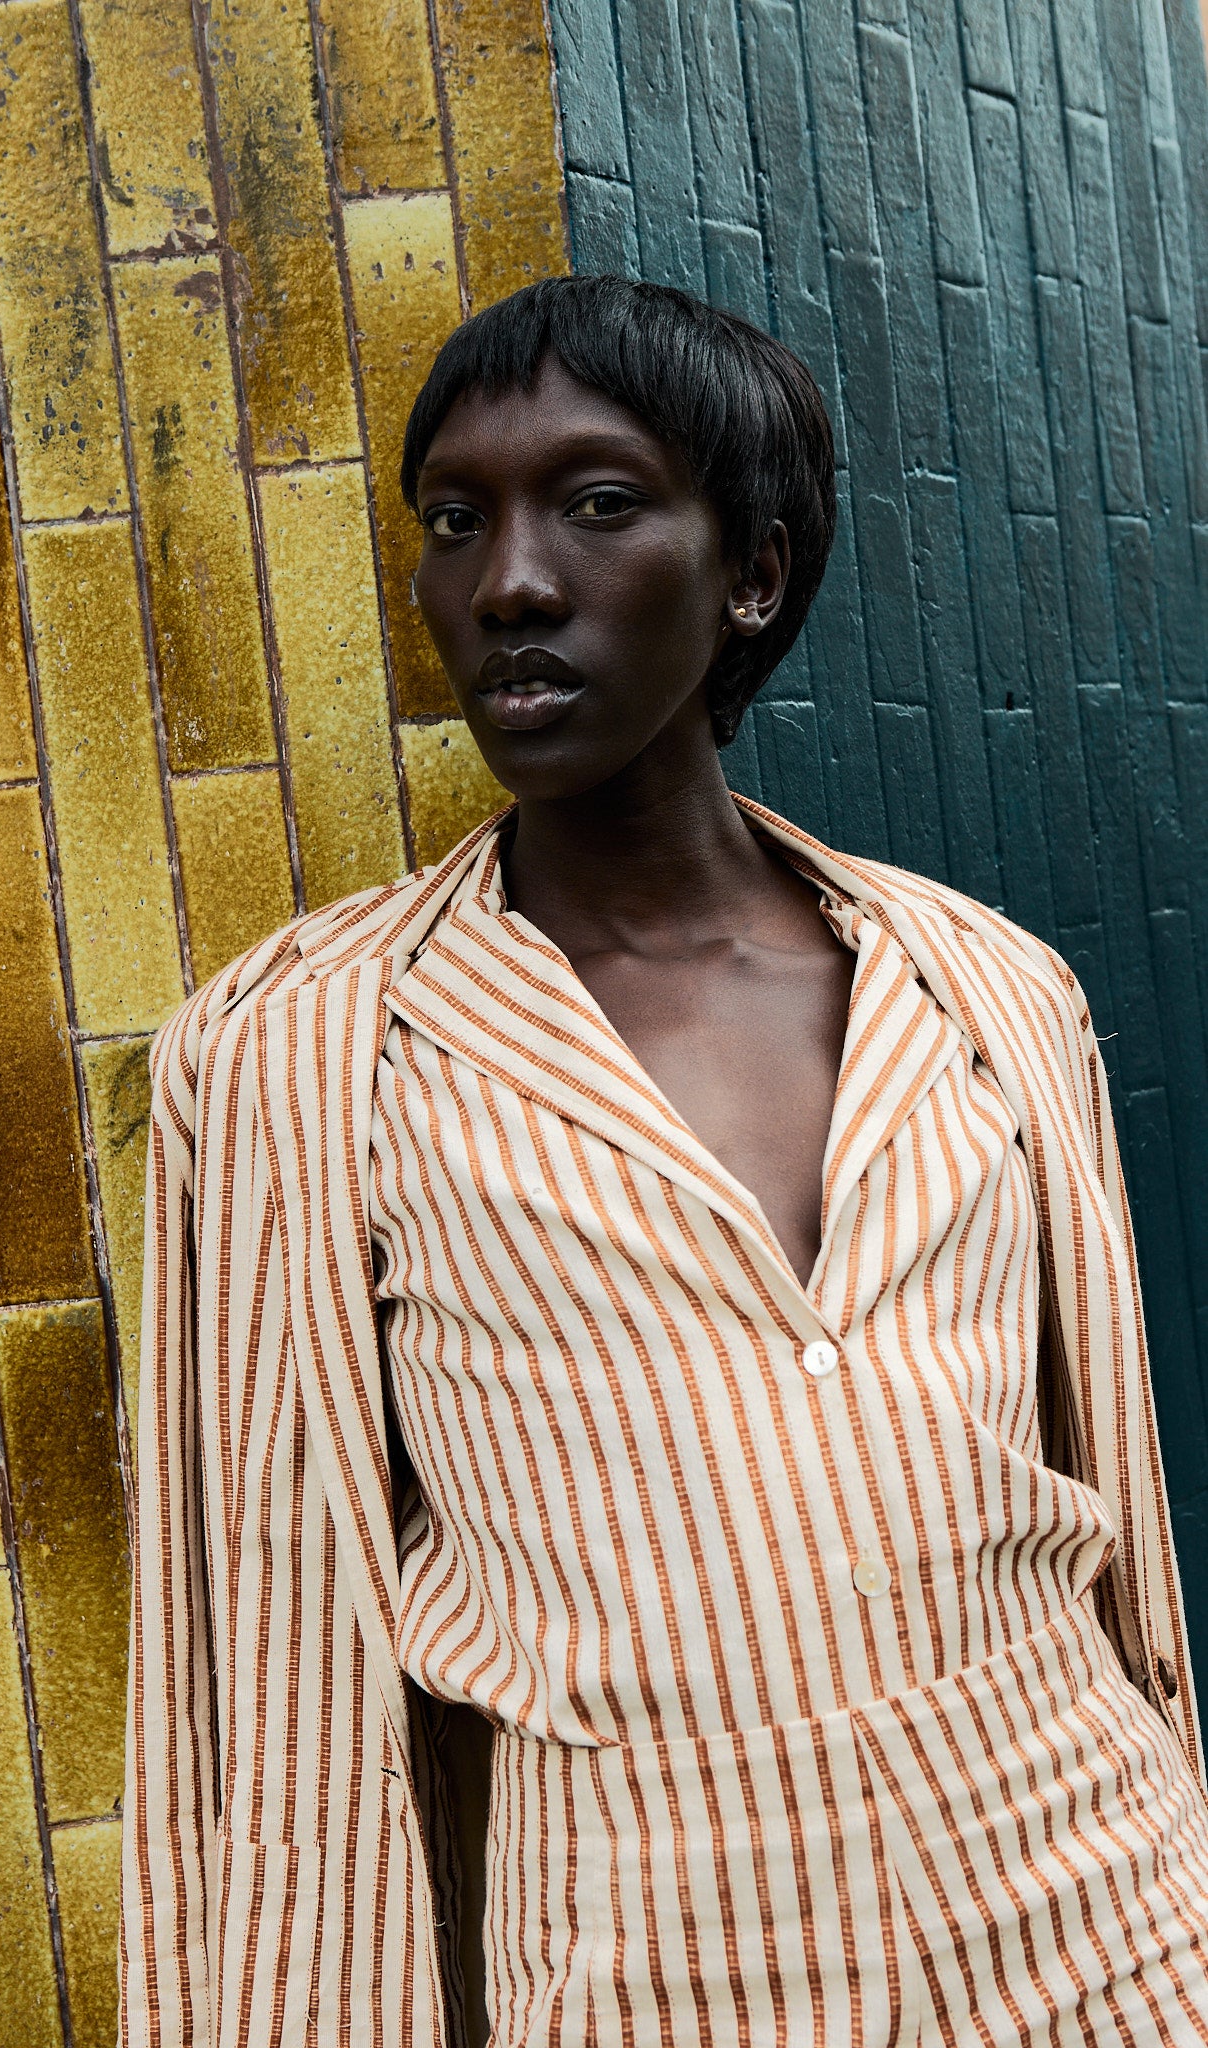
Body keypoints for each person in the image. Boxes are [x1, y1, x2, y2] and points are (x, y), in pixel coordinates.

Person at [119, 276, 1208, 2048]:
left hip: (1106, 1913)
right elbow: (255, 1649)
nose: (511, 584)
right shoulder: (291, 1056)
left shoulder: (988, 990)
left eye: (599, 503)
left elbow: (1114, 1501)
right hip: (655, 1963)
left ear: (753, 572)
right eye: (456, 523)